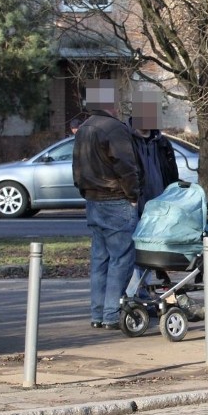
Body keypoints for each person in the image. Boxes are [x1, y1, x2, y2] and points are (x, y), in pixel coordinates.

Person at [72, 79, 141, 330]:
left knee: (99, 260)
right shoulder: (114, 129)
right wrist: (133, 195)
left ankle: (97, 313)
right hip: (115, 200)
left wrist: (86, 191)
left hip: (93, 200)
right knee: (121, 259)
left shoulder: (84, 129)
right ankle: (112, 314)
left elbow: (77, 168)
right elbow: (126, 167)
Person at [125, 89, 180, 298]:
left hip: (157, 205)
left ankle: (142, 294)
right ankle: (131, 297)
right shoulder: (126, 139)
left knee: (150, 252)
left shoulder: (163, 143)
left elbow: (170, 174)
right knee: (134, 251)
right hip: (134, 202)